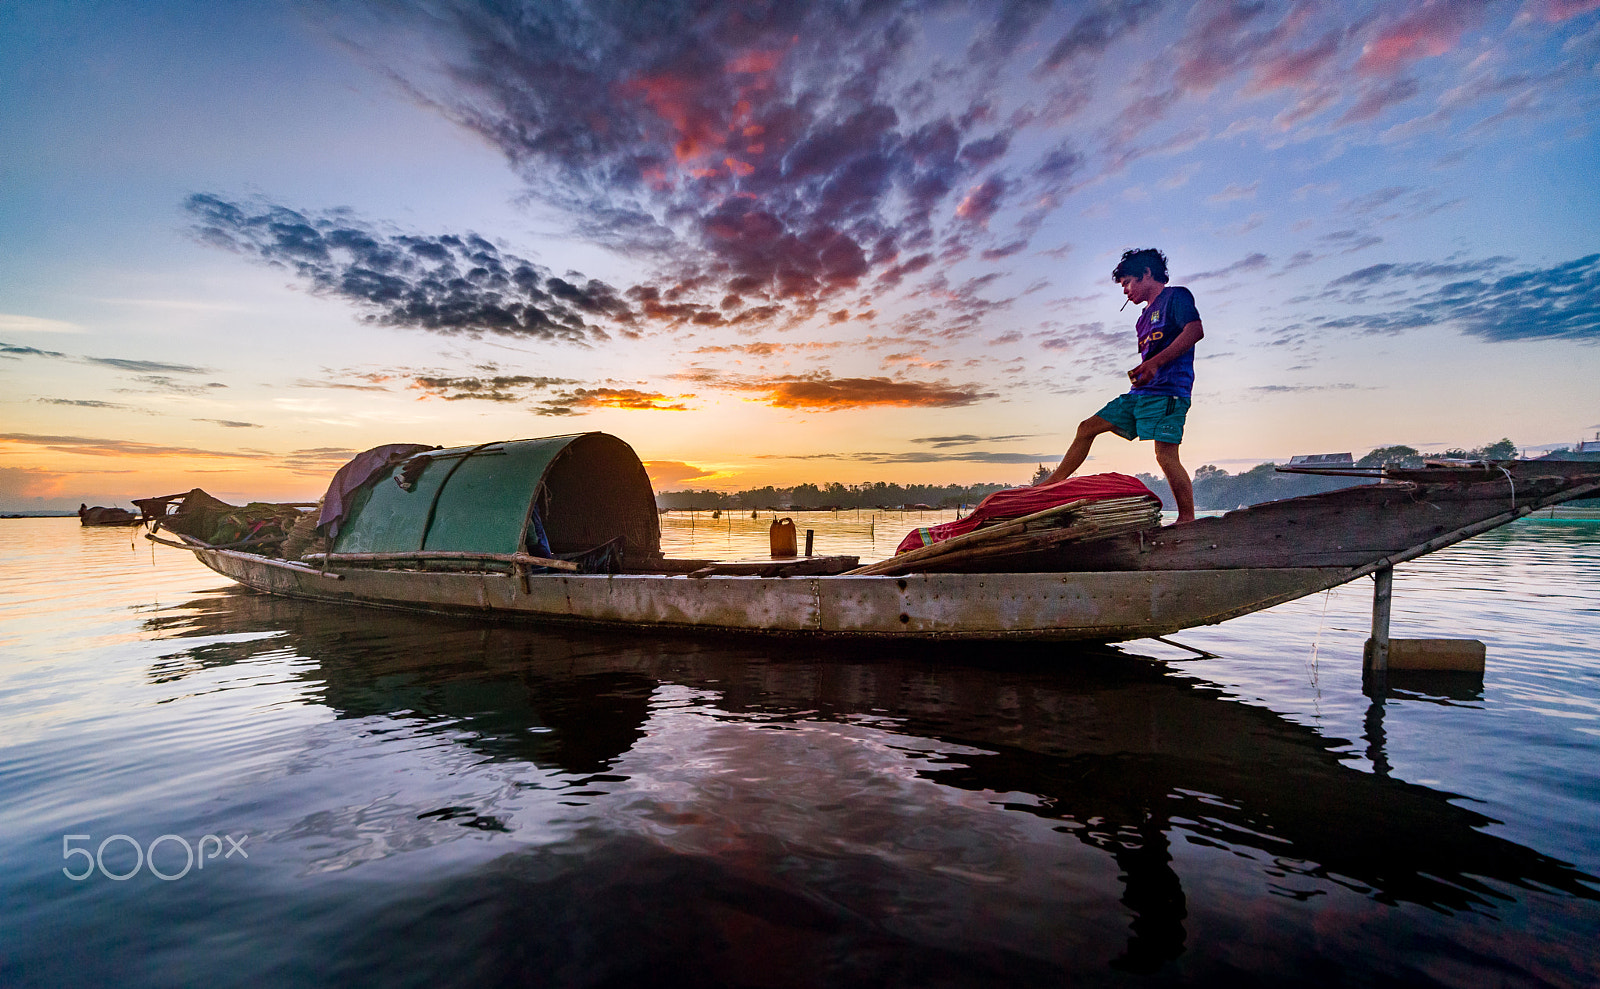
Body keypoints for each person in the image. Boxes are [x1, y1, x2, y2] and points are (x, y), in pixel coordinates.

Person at [1042, 247, 1204, 523]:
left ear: (1147, 273)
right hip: (1140, 394)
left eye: (1128, 282)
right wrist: (1145, 369)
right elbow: (1151, 358)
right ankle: (1049, 485)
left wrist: (1154, 363)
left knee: (1165, 456)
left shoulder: (1176, 296)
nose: (1125, 290)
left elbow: (1195, 331)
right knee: (1086, 428)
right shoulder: (1142, 319)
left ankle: (1186, 520)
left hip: (1169, 393)